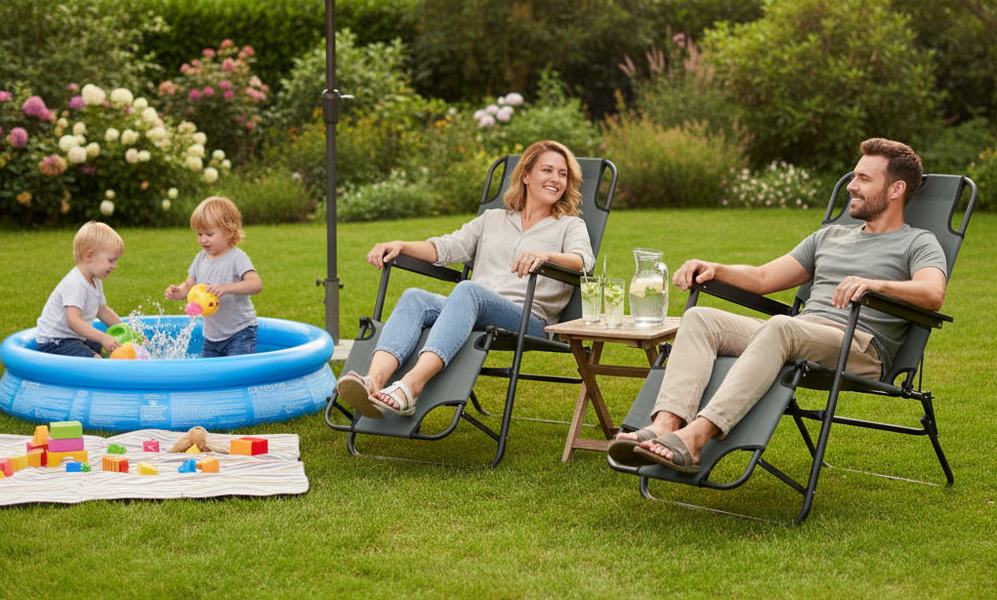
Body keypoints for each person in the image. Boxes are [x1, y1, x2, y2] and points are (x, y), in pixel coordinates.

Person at [610, 138, 948, 474]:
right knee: (700, 319)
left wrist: (875, 284)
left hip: (858, 347)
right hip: (799, 333)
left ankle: (696, 438)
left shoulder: (917, 242)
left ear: (895, 189)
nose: (851, 187)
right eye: (853, 177)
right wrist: (714, 268)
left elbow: (933, 293)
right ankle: (666, 425)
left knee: (782, 326)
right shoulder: (829, 236)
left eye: (863, 179)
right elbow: (762, 277)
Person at [336, 139, 596, 418]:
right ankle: (372, 381)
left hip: (528, 319)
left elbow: (584, 260)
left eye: (563, 174)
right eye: (547, 170)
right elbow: (446, 247)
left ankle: (411, 387)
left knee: (469, 290)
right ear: (525, 175)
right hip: (471, 306)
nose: (556, 179)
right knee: (414, 297)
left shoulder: (570, 224)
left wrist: (546, 256)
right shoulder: (492, 219)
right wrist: (401, 245)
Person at [164, 196, 262, 357]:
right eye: (199, 234)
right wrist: (179, 292)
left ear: (228, 231)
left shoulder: (237, 257)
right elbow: (189, 285)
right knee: (208, 376)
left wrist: (225, 288)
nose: (203, 240)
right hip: (211, 335)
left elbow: (255, 284)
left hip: (240, 332)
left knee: (236, 374)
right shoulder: (200, 258)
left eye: (209, 234)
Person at [35, 221, 126, 357]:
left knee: (113, 349)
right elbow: (73, 321)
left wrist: (128, 331)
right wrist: (103, 337)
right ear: (89, 256)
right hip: (54, 342)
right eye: (111, 260)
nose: (115, 266)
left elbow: (102, 310)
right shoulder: (76, 283)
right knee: (96, 360)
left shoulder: (95, 280)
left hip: (74, 338)